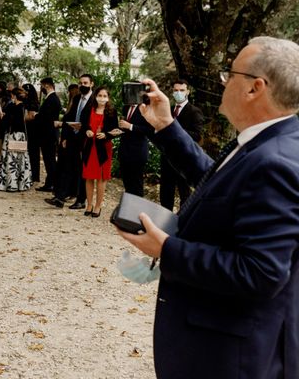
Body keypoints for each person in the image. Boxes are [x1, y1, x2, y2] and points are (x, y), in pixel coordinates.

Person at [118, 37, 299, 378]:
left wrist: (168, 249)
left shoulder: (274, 162)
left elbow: (261, 274)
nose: (223, 81)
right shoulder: (269, 142)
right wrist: (166, 126)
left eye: (229, 74)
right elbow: (218, 185)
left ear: (254, 88)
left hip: (228, 358)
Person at [46, 74, 95, 208]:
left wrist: (84, 127)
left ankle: (81, 200)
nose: (82, 85)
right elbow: (69, 117)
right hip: (72, 137)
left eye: (85, 83)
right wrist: (65, 137)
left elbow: (95, 121)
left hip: (86, 139)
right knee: (67, 167)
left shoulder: (95, 100)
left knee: (81, 171)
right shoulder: (77, 98)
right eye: (80, 83)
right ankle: (60, 198)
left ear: (91, 84)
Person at [159, 79, 204, 211]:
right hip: (167, 157)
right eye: (176, 90)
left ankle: (182, 224)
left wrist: (176, 130)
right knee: (166, 191)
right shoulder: (169, 110)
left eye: (181, 90)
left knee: (184, 192)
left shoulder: (194, 111)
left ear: (187, 92)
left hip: (184, 158)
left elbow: (197, 135)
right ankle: (164, 221)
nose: (178, 93)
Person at [81, 86, 122, 216]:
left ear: (108, 98)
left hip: (103, 148)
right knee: (88, 177)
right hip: (89, 147)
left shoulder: (111, 112)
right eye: (100, 95)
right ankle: (89, 205)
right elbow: (83, 125)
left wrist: (106, 135)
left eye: (105, 96)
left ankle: (98, 206)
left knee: (101, 178)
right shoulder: (88, 109)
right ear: (95, 96)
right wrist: (86, 130)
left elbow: (116, 130)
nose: (102, 98)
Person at [0, 87, 32, 192]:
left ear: (14, 96)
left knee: (10, 160)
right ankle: (21, 183)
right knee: (20, 160)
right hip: (21, 136)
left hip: (12, 135)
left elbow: (12, 121)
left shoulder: (14, 107)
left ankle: (10, 184)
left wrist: (3, 116)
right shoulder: (23, 106)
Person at [118, 90, 153, 197]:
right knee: (127, 183)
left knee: (137, 185)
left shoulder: (145, 108)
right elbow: (124, 126)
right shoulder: (126, 107)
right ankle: (129, 210)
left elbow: (150, 129)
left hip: (138, 153)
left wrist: (131, 126)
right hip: (124, 151)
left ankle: (137, 211)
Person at [34, 77, 61, 192]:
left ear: (47, 85)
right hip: (48, 134)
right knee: (48, 160)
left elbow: (46, 117)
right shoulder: (51, 98)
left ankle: (54, 184)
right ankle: (50, 183)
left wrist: (36, 116)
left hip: (48, 135)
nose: (41, 88)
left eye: (42, 86)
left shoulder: (52, 99)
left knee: (50, 160)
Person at [22, 83, 40, 182]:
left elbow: (31, 116)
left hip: (32, 130)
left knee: (33, 152)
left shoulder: (32, 103)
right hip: (28, 129)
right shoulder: (27, 101)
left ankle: (34, 174)